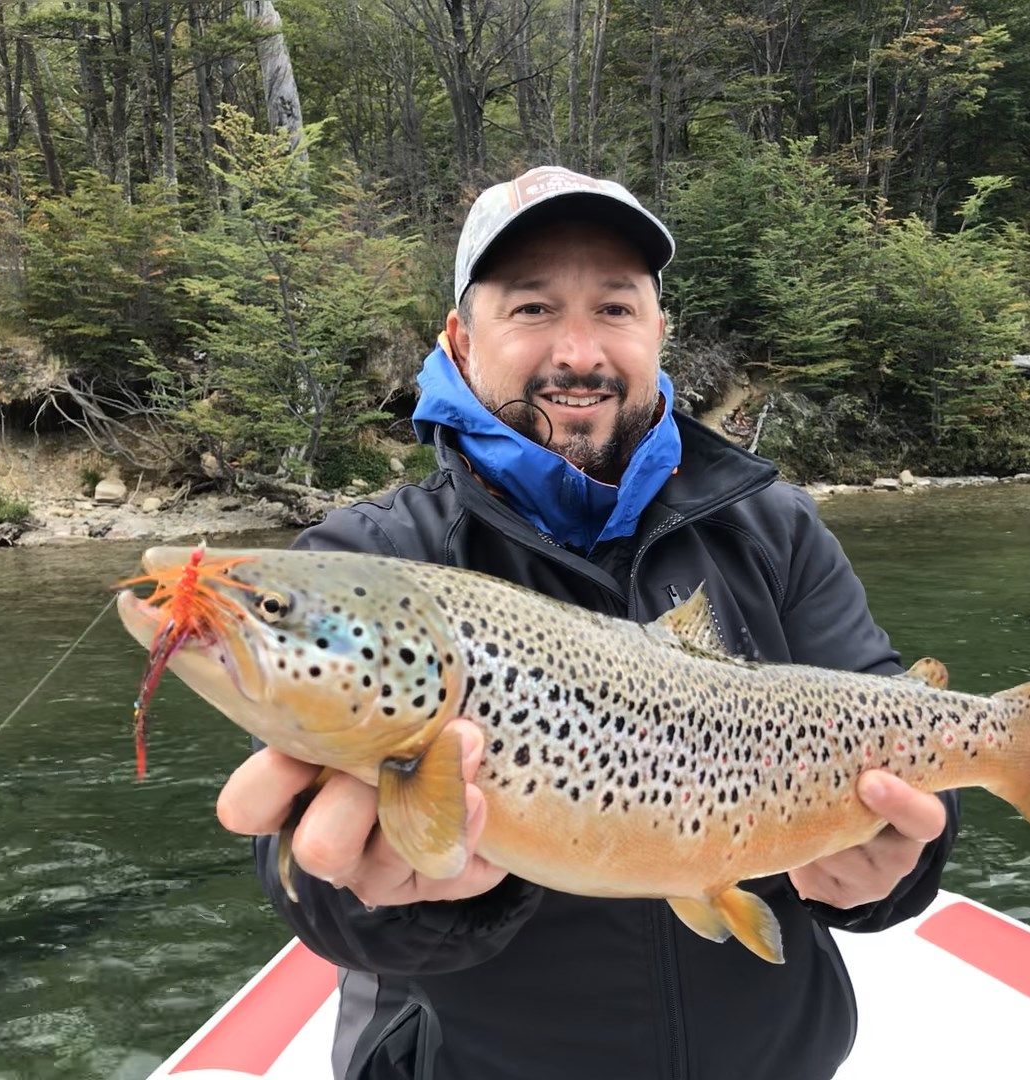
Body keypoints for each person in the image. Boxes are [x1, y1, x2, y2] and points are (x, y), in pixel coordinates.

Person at [216, 165, 958, 1080]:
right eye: (532, 309)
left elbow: (893, 725)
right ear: (461, 339)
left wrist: (898, 868)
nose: (578, 352)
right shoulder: (368, 561)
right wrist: (398, 896)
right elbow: (301, 878)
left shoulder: (775, 527)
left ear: (658, 331)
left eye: (614, 308)